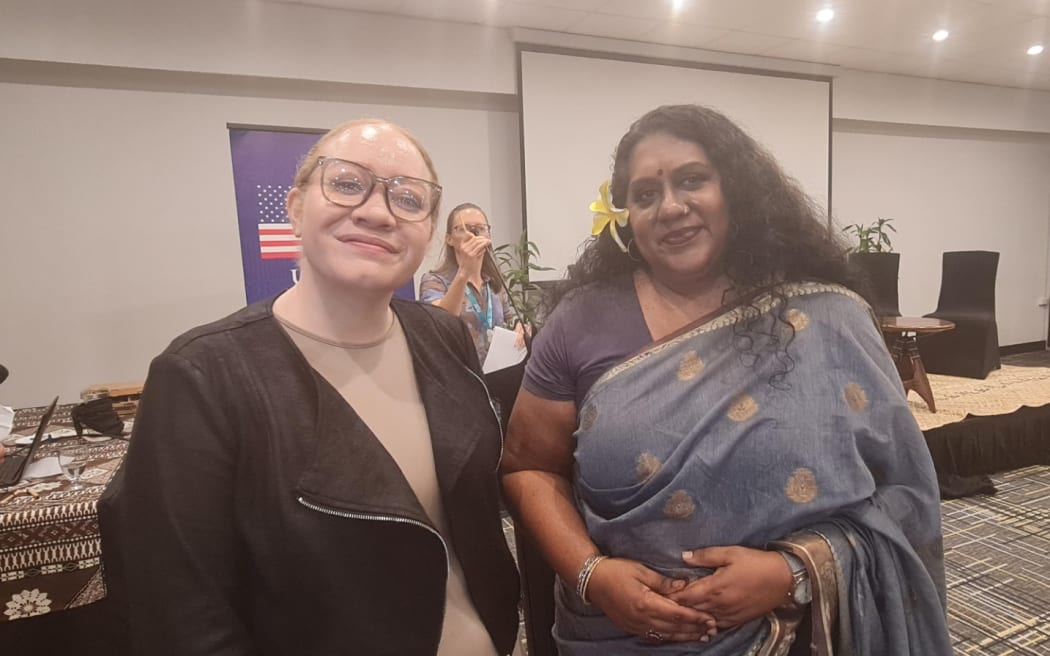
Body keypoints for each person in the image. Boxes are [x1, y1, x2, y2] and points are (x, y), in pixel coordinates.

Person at [501, 105, 951, 655]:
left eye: (692, 180)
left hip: (797, 633)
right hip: (614, 633)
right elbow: (529, 464)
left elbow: (902, 492)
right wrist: (593, 574)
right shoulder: (581, 319)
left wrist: (793, 571)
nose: (670, 207)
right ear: (626, 215)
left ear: (736, 190)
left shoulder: (827, 318)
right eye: (645, 194)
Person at [100, 119, 520, 655]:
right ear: (295, 208)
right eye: (347, 184)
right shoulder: (203, 374)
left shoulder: (442, 336)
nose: (376, 211)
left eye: (408, 198)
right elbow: (182, 616)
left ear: (429, 230)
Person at [419, 203, 526, 366]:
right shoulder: (434, 280)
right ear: (449, 239)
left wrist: (520, 327)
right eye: (464, 228)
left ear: (488, 237)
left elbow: (509, 319)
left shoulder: (494, 281)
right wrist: (463, 273)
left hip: (497, 375)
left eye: (481, 228)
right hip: (457, 376)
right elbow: (439, 324)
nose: (474, 233)